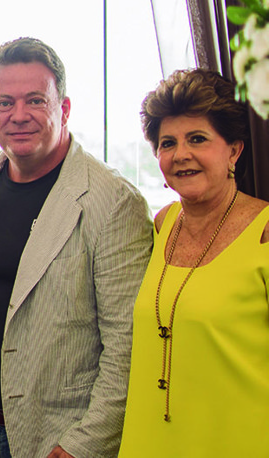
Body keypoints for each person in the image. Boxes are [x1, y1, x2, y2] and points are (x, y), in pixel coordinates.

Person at [0, 37, 153, 458]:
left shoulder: (112, 201)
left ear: (64, 108)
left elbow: (127, 346)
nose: (18, 115)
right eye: (5, 103)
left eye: (35, 100)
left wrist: (84, 444)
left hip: (59, 440)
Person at [118, 69, 269, 456]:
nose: (181, 154)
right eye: (168, 143)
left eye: (197, 139)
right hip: (147, 442)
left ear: (233, 150)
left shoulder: (265, 231)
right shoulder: (161, 223)